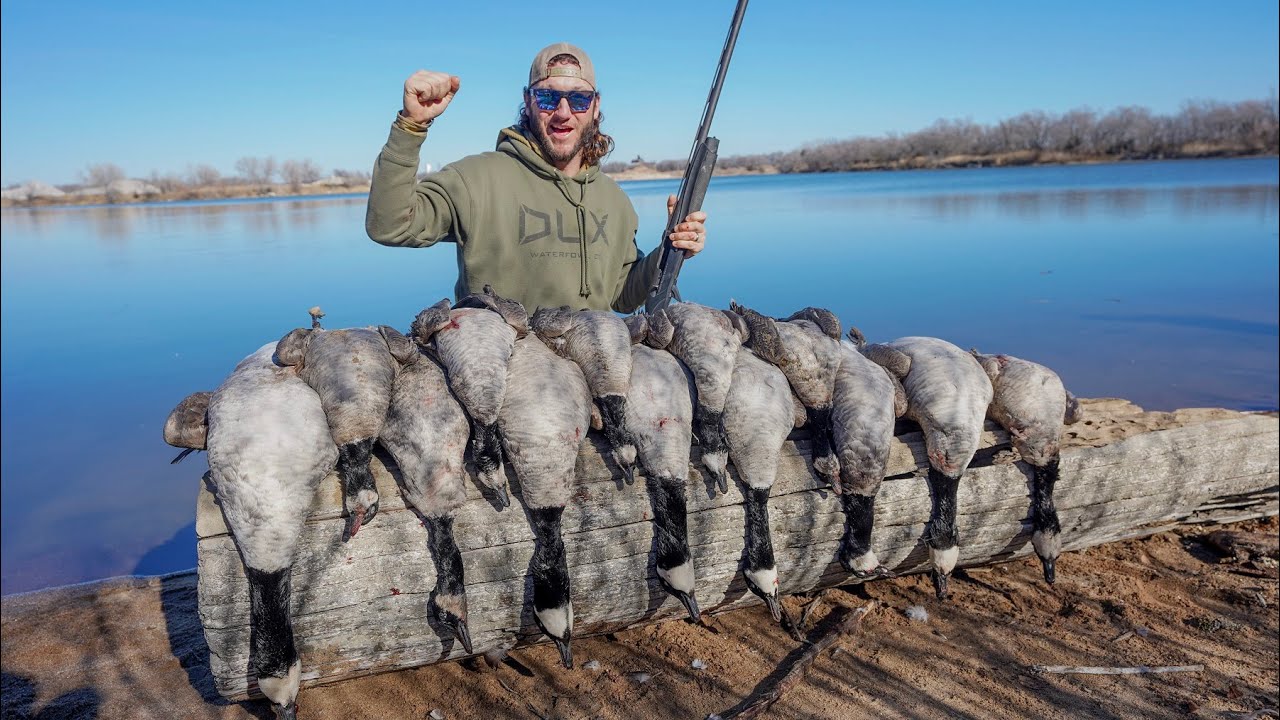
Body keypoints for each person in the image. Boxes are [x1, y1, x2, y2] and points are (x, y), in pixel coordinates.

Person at [365, 42, 709, 312]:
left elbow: (621, 297)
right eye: (547, 97)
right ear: (528, 101)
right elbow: (391, 226)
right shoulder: (474, 180)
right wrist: (412, 126)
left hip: (591, 381)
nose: (562, 112)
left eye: (578, 99)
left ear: (595, 105)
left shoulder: (614, 200)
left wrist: (670, 249)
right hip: (502, 383)